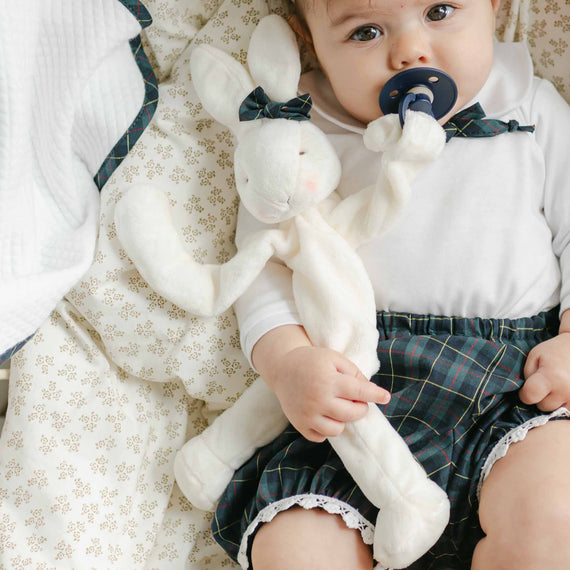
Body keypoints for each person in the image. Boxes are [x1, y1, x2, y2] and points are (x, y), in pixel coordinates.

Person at [210, 0, 570, 568]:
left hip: (516, 388)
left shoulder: (530, 103)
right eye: (365, 31)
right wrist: (287, 362)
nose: (409, 51)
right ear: (311, 43)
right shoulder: (296, 134)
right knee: (296, 546)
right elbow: (265, 266)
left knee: (555, 513)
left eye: (440, 10)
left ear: (496, 8)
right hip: (361, 401)